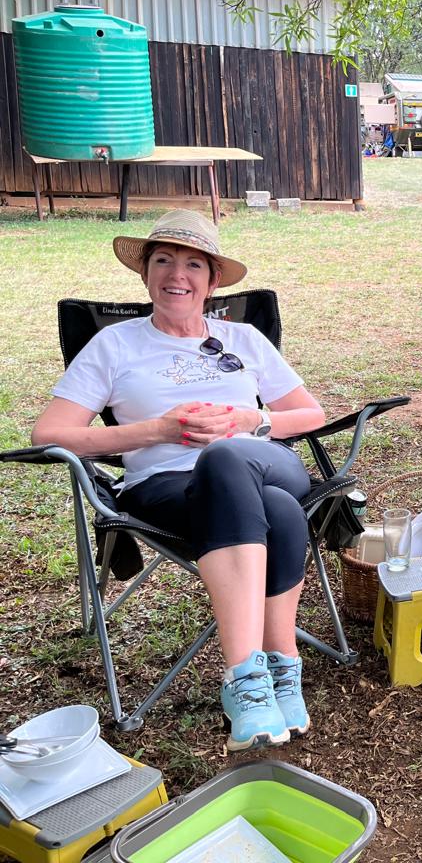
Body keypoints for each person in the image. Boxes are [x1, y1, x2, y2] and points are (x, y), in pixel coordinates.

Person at [31, 209, 326, 751]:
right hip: (165, 487)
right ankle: (281, 669)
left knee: (228, 457)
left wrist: (249, 421)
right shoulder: (114, 346)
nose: (177, 275)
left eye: (193, 264)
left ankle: (243, 678)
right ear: (145, 274)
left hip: (265, 461)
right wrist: (158, 430)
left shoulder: (244, 338)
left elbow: (311, 415)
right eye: (163, 260)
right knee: (279, 510)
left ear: (212, 283)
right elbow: (49, 433)